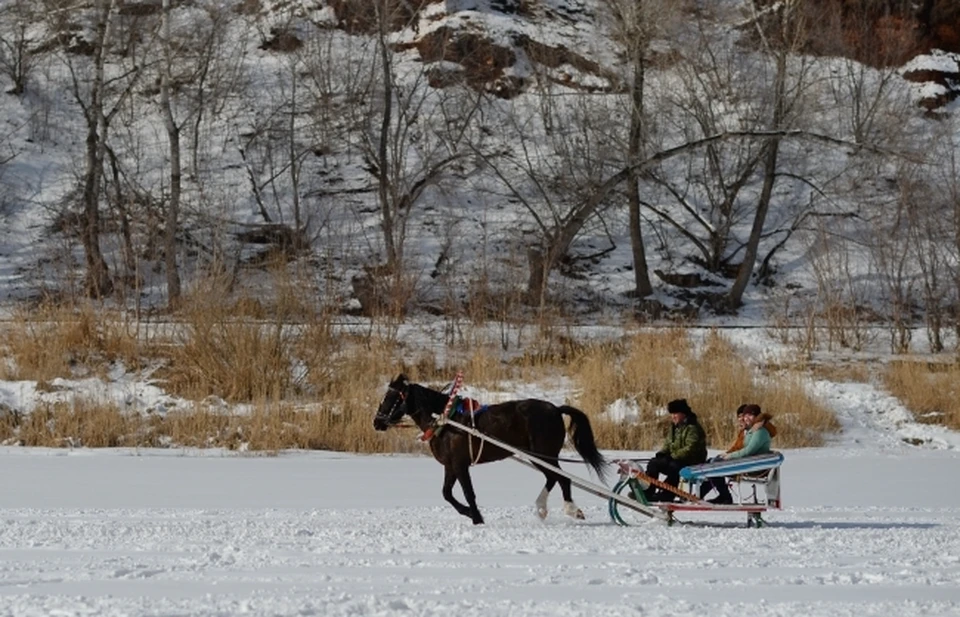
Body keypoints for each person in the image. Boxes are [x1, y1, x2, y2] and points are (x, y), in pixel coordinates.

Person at [701, 404, 777, 504]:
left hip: (753, 467)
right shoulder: (751, 430)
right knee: (713, 464)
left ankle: (722, 496)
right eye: (745, 416)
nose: (746, 418)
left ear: (757, 416)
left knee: (715, 466)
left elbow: (748, 450)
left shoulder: (760, 432)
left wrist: (729, 456)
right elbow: (740, 448)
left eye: (750, 415)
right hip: (747, 463)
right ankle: (704, 495)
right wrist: (726, 455)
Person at [643, 398, 708, 502]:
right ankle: (649, 491)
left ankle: (667, 494)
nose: (673, 416)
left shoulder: (693, 428)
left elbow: (690, 448)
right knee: (654, 463)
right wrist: (662, 453)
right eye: (672, 414)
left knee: (675, 467)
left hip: (693, 462)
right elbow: (668, 443)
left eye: (675, 414)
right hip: (677, 459)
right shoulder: (674, 427)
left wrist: (673, 456)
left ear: (683, 414)